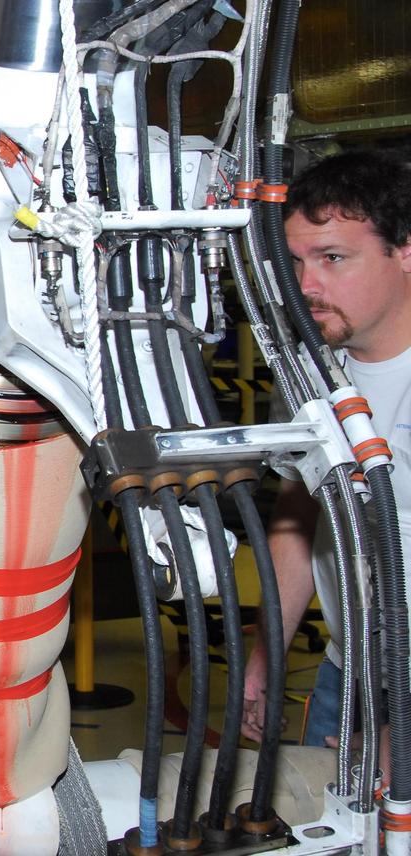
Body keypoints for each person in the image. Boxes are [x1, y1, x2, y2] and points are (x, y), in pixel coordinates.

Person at [241, 150, 411, 754]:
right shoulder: (308, 373)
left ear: (404, 250)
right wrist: (267, 655)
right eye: (296, 262)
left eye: (333, 258)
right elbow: (299, 514)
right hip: (348, 674)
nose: (305, 286)